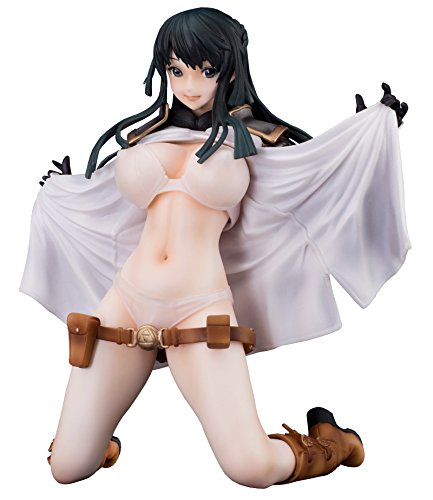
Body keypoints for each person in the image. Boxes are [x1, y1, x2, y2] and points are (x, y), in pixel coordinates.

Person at [20, 7, 409, 488]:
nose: (189, 84)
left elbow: (317, 176)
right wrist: (62, 190)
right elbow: (104, 198)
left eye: (206, 70)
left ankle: (333, 443)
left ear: (231, 69)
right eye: (176, 69)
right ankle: (92, 437)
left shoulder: (255, 140)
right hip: (125, 300)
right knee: (66, 468)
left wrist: (371, 131)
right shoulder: (145, 136)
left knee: (250, 468)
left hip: (199, 309)